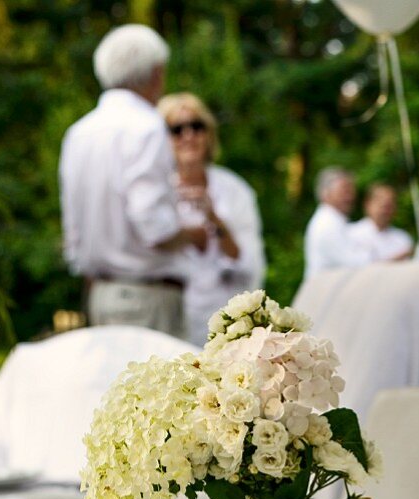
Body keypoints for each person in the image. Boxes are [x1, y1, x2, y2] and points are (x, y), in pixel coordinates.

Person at [59, 24, 207, 337]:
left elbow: (73, 229)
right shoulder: (146, 126)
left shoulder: (79, 132)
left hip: (99, 295)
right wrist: (192, 235)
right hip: (148, 298)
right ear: (155, 73)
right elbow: (154, 225)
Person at [159, 92, 266, 347]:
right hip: (171, 319)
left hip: (224, 322)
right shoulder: (155, 191)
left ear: (208, 134)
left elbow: (250, 265)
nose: (189, 135)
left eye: (197, 126)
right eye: (176, 129)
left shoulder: (235, 189)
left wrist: (214, 220)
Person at [303, 168, 368, 281]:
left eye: (351, 191)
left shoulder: (335, 221)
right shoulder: (327, 224)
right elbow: (353, 263)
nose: (350, 197)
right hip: (324, 293)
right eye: (344, 191)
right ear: (325, 194)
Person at [348, 183, 413, 263]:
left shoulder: (402, 238)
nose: (385, 211)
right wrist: (392, 261)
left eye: (389, 206)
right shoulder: (351, 234)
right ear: (367, 204)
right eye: (381, 204)